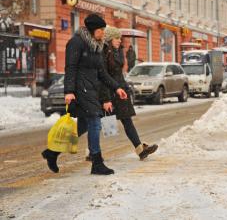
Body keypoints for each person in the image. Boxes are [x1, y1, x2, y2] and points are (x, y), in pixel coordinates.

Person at [41, 14, 128, 175]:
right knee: (95, 122)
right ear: (93, 29)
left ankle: (52, 153)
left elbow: (101, 72)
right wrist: (69, 91)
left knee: (83, 126)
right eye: (101, 30)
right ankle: (97, 162)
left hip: (91, 90)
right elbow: (71, 68)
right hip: (81, 90)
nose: (103, 33)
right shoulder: (76, 43)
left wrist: (116, 88)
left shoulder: (97, 45)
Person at [99, 27, 158, 160]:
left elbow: (119, 74)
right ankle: (91, 152)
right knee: (99, 124)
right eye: (117, 38)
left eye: (120, 38)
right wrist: (105, 99)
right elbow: (102, 77)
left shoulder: (118, 51)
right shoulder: (103, 52)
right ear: (109, 39)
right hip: (108, 92)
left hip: (120, 91)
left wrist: (124, 88)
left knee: (127, 121)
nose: (120, 41)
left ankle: (140, 149)